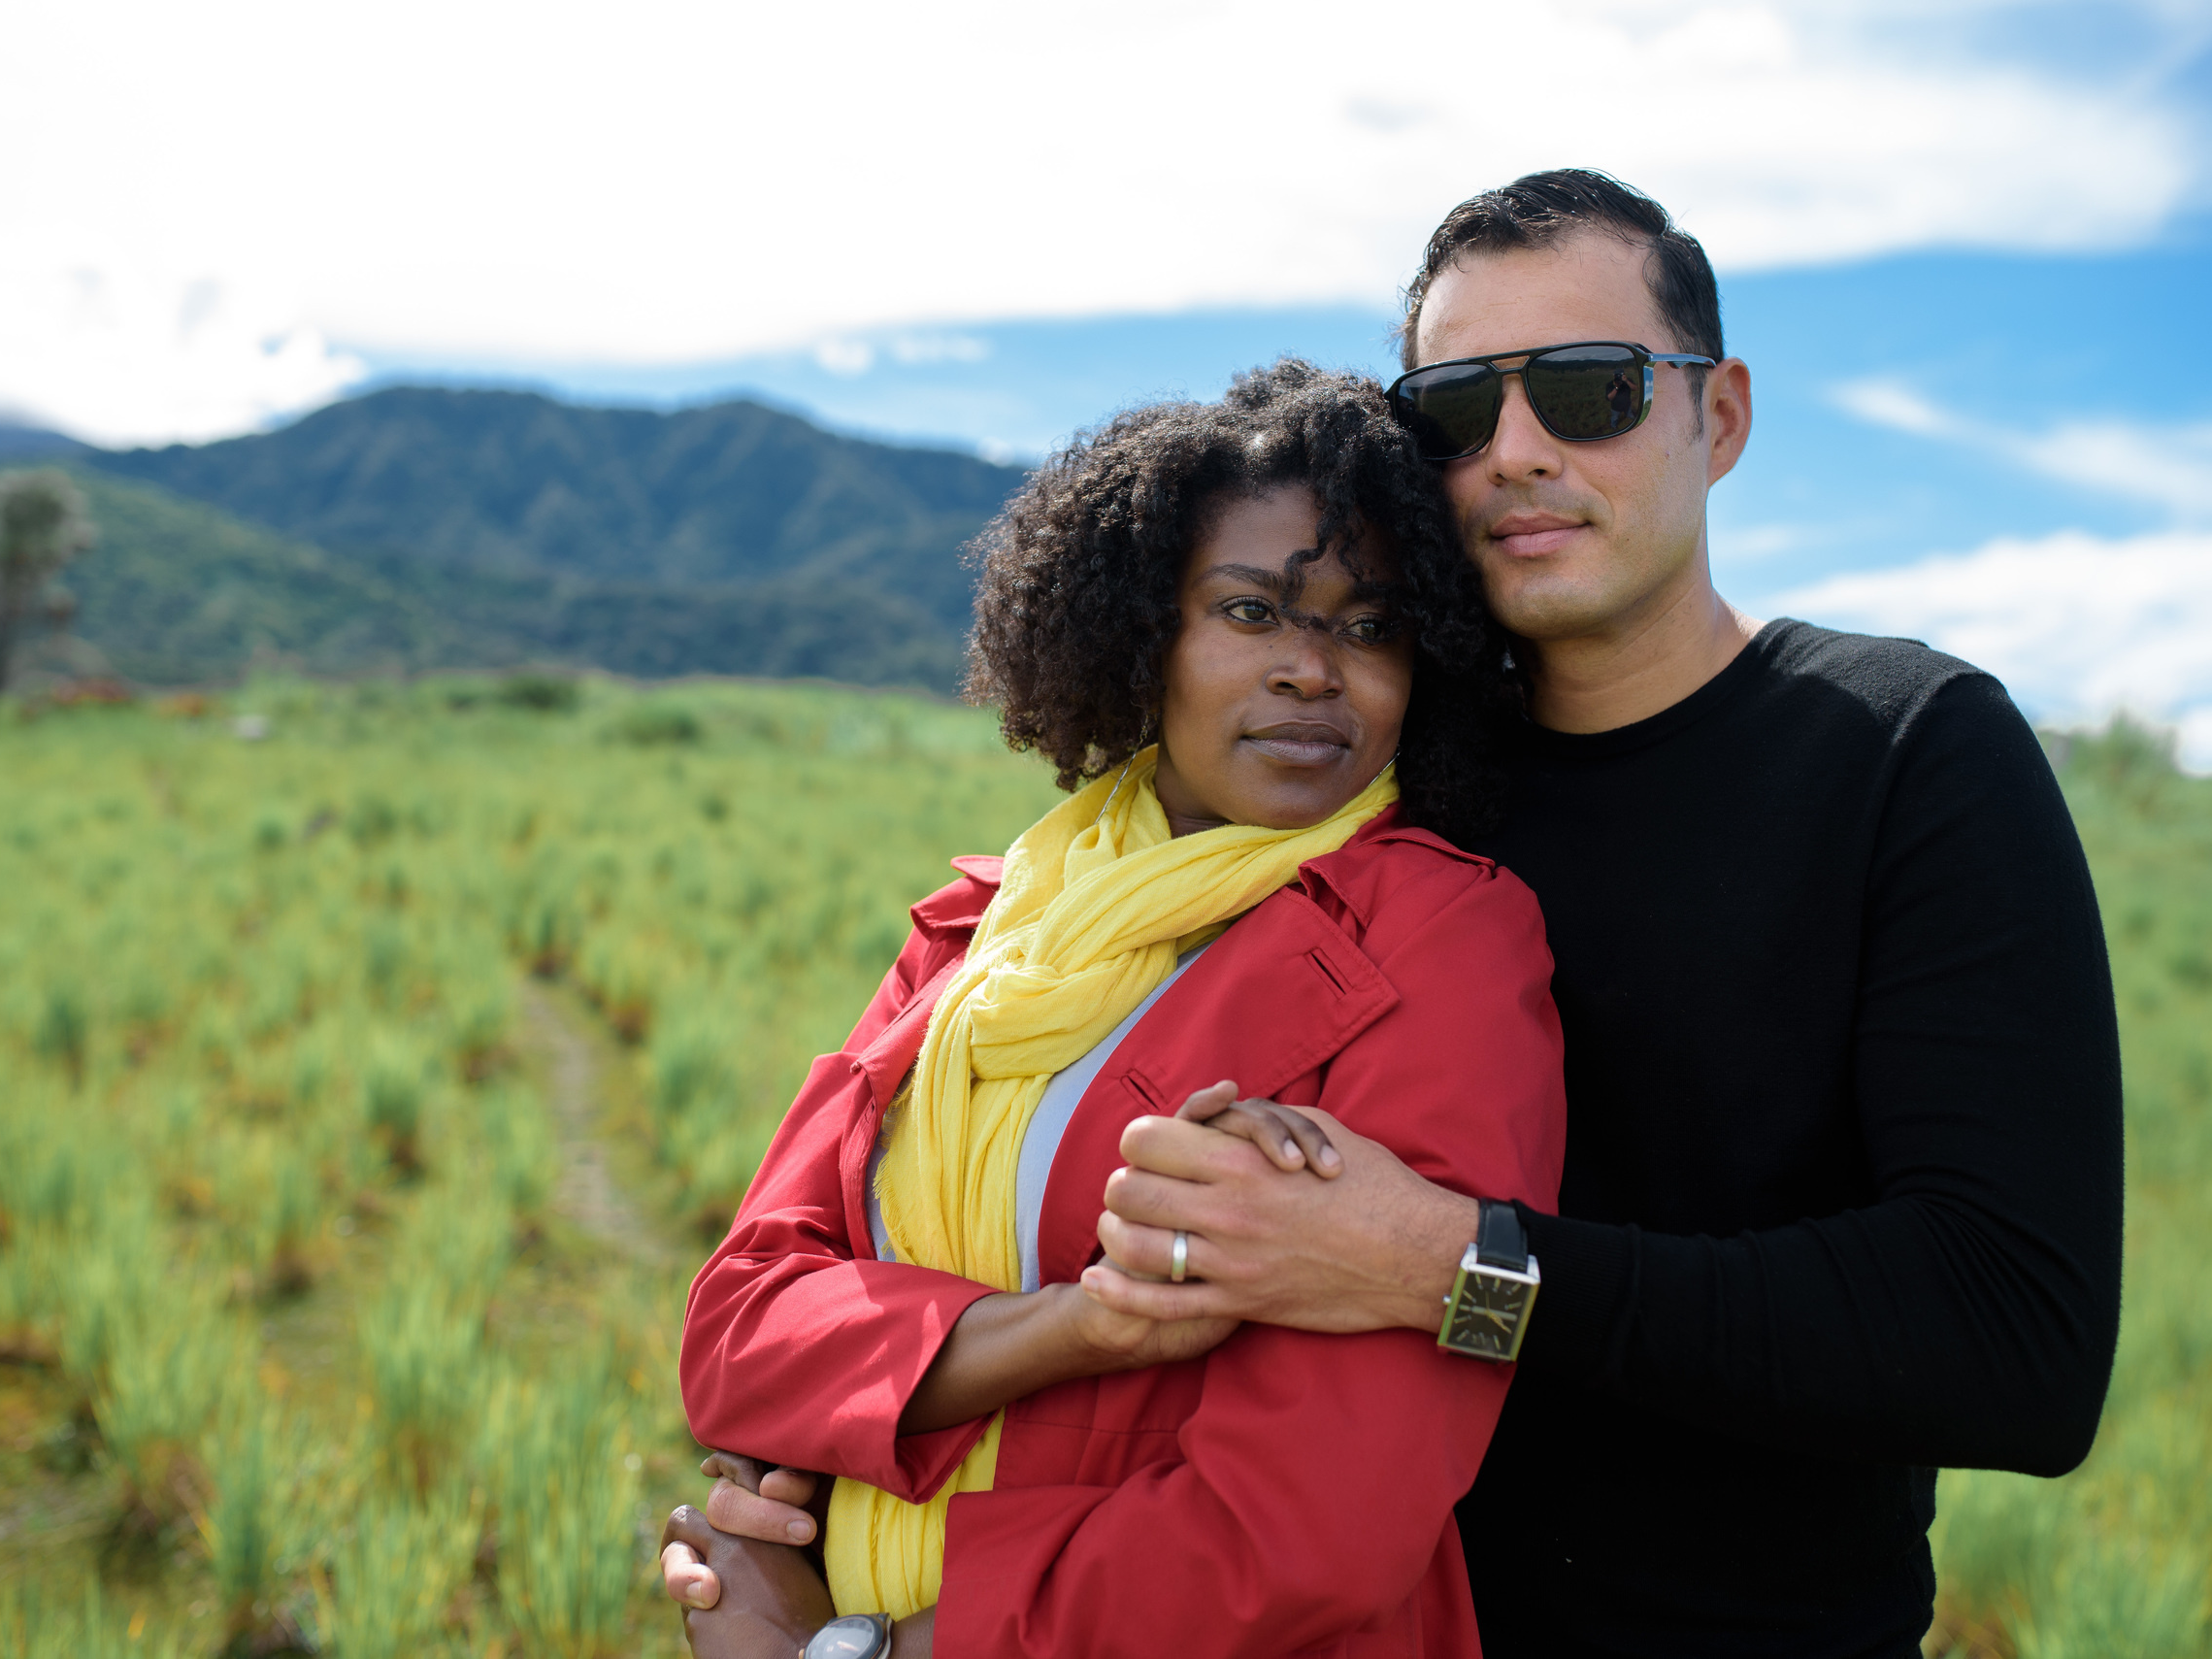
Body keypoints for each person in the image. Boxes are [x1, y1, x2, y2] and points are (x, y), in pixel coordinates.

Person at [670, 171, 2126, 1658]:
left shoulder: (1898, 752)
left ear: (1722, 416)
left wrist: (1457, 1265)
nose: (1515, 450)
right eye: (1453, 409)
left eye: (1590, 389)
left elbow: (2016, 1341)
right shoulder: (1373, 799)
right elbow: (809, 1291)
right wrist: (819, 1494)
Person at [664, 363, 1568, 1659]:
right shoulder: (977, 934)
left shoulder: (1446, 944)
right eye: (1252, 611)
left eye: (1369, 627)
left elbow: (1315, 1527)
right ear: (1144, 637)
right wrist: (1074, 1326)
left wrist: (855, 1649)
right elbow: (739, 1329)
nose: (1314, 670)